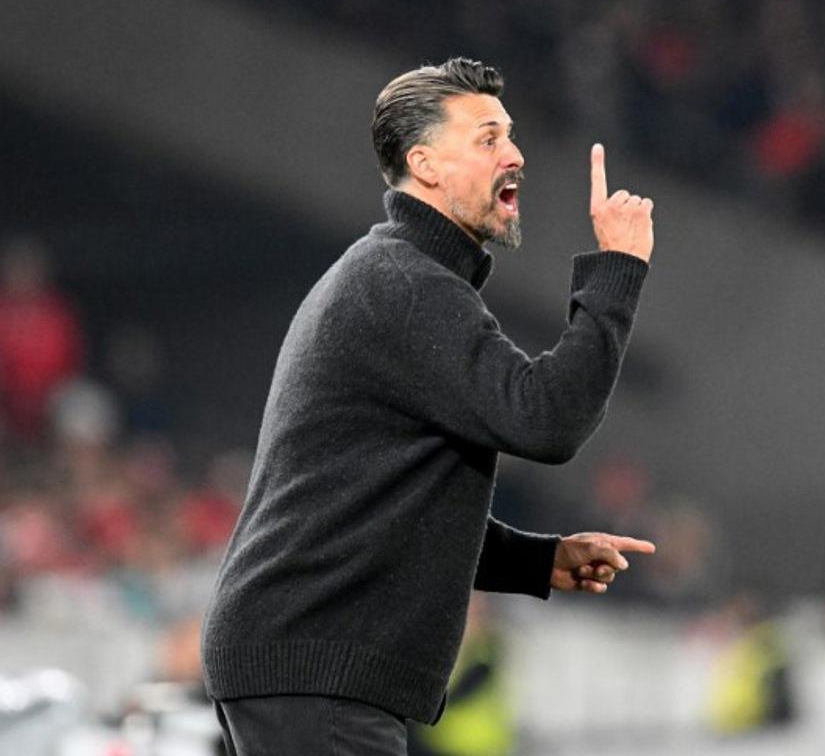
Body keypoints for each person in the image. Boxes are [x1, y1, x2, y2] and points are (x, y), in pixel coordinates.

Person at [201, 57, 656, 755]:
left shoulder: (399, 277)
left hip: (303, 660)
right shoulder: (405, 285)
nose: (515, 154)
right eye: (487, 138)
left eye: (510, 135)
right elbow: (545, 418)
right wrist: (617, 273)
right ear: (426, 165)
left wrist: (537, 562)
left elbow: (386, 510)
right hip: (316, 666)